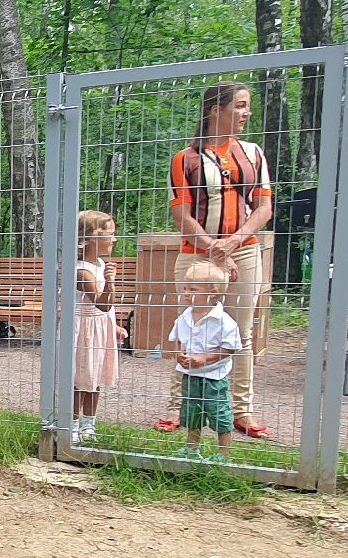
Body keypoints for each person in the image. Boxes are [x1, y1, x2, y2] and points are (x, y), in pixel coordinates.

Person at [155, 81, 275, 439]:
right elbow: (182, 216)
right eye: (239, 105)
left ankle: (241, 411)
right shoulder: (186, 159)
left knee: (241, 331)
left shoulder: (253, 154)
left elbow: (264, 207)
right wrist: (213, 249)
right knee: (189, 331)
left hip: (245, 249)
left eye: (246, 105)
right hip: (196, 253)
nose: (245, 113)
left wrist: (234, 242)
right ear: (214, 110)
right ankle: (176, 409)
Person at [170, 259, 244, 462]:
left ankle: (223, 453)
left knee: (219, 413)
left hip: (213, 378)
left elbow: (230, 347)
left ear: (213, 292)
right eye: (184, 288)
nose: (186, 293)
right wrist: (179, 354)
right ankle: (192, 449)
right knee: (191, 412)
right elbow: (176, 340)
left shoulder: (224, 321)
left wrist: (205, 359)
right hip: (190, 376)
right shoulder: (183, 317)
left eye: (192, 288)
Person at [72, 209, 126, 441]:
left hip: (99, 329)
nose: (114, 239)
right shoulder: (82, 272)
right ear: (91, 239)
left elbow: (106, 311)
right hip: (83, 331)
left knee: (94, 378)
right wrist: (111, 281)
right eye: (110, 234)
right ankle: (71, 424)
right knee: (78, 380)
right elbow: (102, 304)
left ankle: (89, 425)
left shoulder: (100, 264)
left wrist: (113, 326)